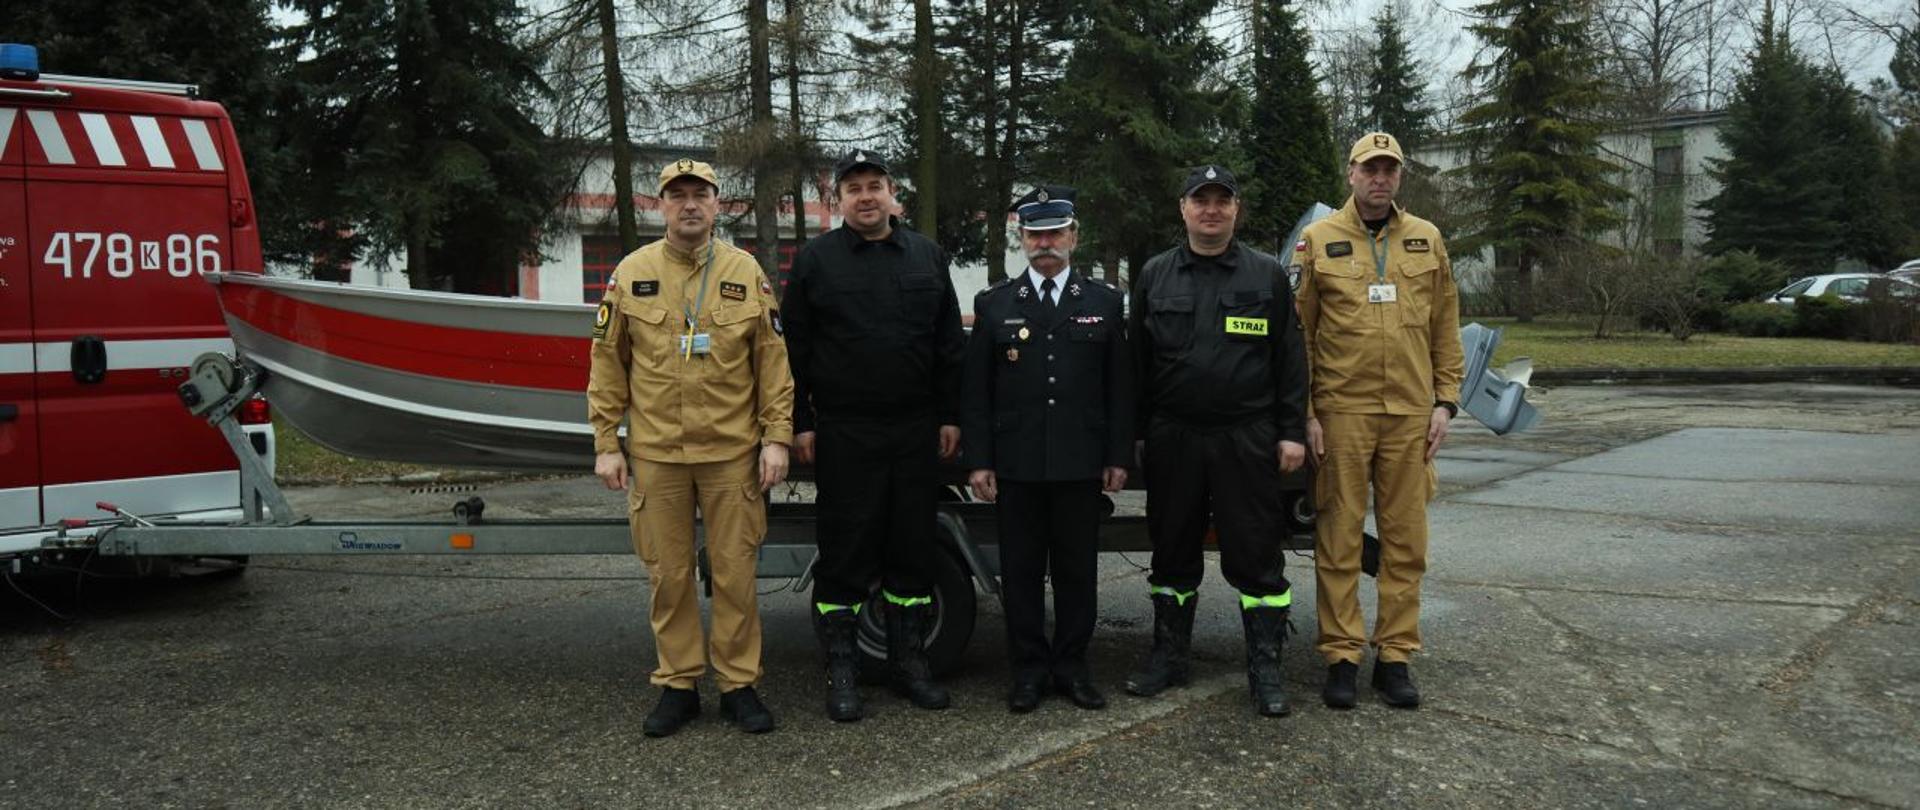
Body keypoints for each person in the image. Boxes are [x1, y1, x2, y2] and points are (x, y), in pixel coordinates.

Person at [586, 159, 794, 737]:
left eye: (699, 194)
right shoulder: (631, 273)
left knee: (734, 573)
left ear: (717, 204)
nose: (689, 205)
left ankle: (738, 685)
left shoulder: (744, 271)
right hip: (657, 454)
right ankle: (678, 684)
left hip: (732, 453)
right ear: (661, 206)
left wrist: (776, 437)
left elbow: (772, 362)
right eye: (677, 196)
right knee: (669, 574)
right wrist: (608, 443)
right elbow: (607, 364)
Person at [782, 148, 967, 721]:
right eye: (854, 188)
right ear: (838, 200)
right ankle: (844, 670)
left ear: (893, 195)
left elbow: (947, 347)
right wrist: (802, 424)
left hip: (914, 430)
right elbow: (795, 352)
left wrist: (950, 415)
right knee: (846, 550)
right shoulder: (815, 261)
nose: (865, 196)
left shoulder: (926, 256)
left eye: (875, 185)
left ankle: (909, 663)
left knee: (911, 549)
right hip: (846, 431)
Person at [1126, 165, 1310, 717]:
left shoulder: (1265, 276)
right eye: (1199, 200)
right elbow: (1136, 364)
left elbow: (1290, 360)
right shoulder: (1155, 275)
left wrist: (1292, 432)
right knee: (1172, 552)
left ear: (1236, 209)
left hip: (1245, 438)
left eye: (1221, 200)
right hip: (1174, 439)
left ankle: (1266, 668)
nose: (1210, 209)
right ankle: (1169, 657)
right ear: (1182, 209)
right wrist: (1134, 437)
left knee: (1257, 556)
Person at [1296, 132, 1464, 709]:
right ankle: (1341, 654)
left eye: (1389, 170)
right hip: (1342, 412)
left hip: (1411, 415)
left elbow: (1446, 324)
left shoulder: (1426, 239)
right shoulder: (1317, 241)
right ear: (1350, 174)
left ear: (1400, 177)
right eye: (1370, 168)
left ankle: (1394, 656)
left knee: (1404, 541)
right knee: (1338, 538)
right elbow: (1301, 335)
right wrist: (1308, 411)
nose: (1379, 179)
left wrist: (1446, 401)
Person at [961, 185, 1133, 713]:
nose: (1045, 243)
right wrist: (980, 460)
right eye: (1035, 234)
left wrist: (1118, 455)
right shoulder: (995, 304)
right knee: (1021, 573)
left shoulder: (1104, 302)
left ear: (1074, 237)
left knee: (1078, 572)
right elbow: (977, 392)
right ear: (1021, 238)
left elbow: (1120, 388)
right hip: (1016, 464)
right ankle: (1029, 671)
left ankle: (1073, 667)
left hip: (1081, 463)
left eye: (1055, 232)